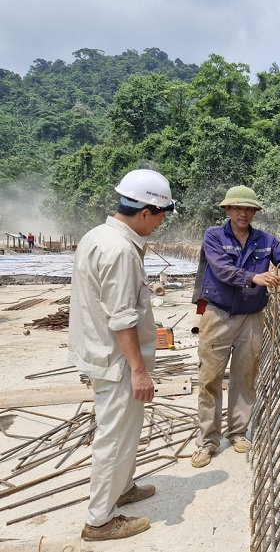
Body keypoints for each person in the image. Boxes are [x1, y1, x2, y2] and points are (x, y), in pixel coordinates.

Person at [68, 169, 176, 541]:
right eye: (161, 217)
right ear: (145, 211)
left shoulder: (99, 236)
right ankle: (99, 521)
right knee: (114, 438)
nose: (161, 225)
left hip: (104, 354)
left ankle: (123, 487)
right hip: (117, 362)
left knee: (126, 432)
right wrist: (138, 370)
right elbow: (122, 319)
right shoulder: (119, 251)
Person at [190, 185, 280, 468]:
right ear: (227, 210)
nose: (244, 213)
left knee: (245, 375)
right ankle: (208, 440)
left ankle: (237, 432)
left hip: (252, 317)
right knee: (210, 378)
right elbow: (222, 270)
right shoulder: (214, 236)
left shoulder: (265, 240)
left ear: (255, 212)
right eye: (238, 208)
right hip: (219, 315)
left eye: (249, 209)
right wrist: (255, 277)